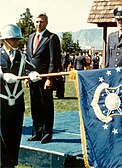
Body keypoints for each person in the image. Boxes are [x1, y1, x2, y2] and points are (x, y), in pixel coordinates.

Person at [0, 24, 40, 167]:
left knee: (15, 135)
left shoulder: (21, 56)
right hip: (2, 103)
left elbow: (30, 68)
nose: (17, 42)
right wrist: (2, 75)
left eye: (17, 40)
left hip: (17, 102)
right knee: (2, 137)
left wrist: (32, 74)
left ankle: (12, 162)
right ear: (5, 40)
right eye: (13, 40)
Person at [25, 12, 61, 144]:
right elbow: (29, 59)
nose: (38, 24)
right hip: (32, 78)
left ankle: (47, 133)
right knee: (35, 106)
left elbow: (54, 60)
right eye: (36, 21)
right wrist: (26, 76)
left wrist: (50, 78)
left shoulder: (51, 38)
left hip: (45, 79)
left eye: (41, 21)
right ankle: (37, 132)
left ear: (46, 23)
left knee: (46, 106)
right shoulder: (30, 37)